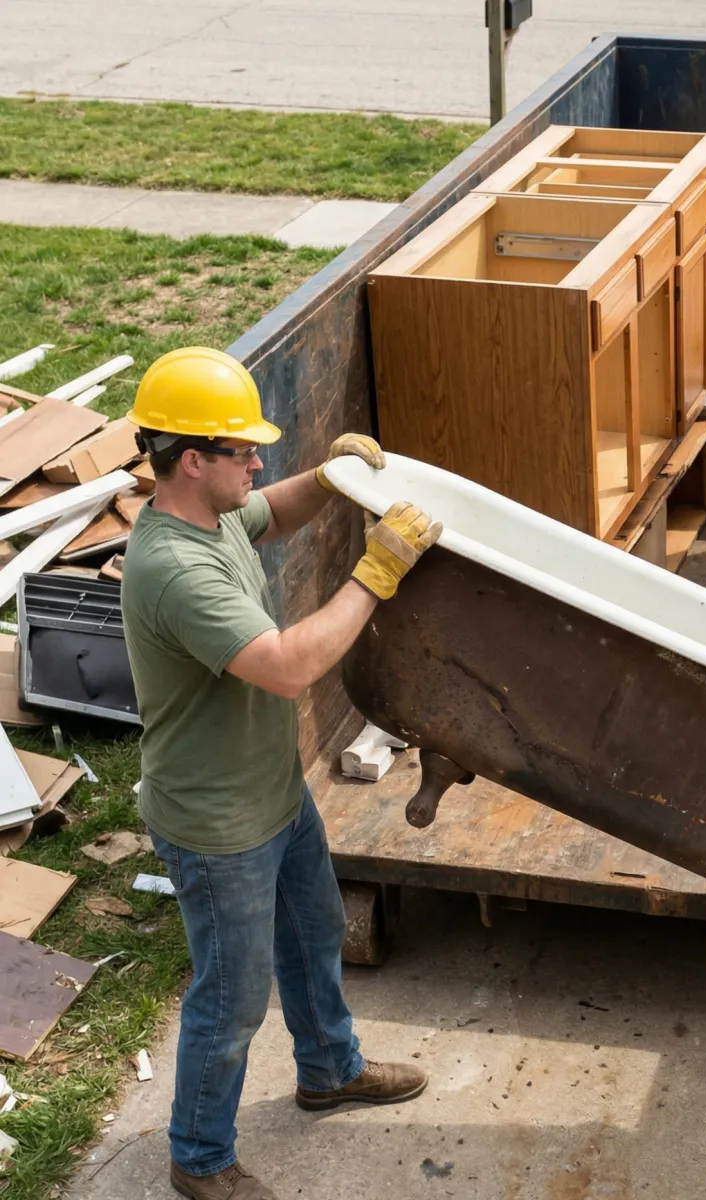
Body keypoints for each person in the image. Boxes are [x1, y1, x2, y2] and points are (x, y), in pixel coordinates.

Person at [121, 346, 441, 1200]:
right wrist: (376, 572)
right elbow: (290, 664)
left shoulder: (209, 512)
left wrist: (333, 478)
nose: (259, 461)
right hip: (218, 824)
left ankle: (329, 1071)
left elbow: (270, 507)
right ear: (193, 459)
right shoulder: (173, 568)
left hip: (269, 788)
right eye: (244, 449)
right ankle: (199, 1157)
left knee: (314, 933)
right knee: (231, 1001)